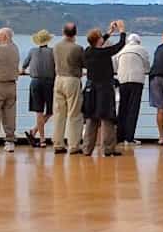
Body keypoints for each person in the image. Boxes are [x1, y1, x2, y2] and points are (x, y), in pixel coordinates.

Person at [81, 21, 127, 157]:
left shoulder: (88, 51)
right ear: (98, 40)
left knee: (91, 118)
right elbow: (119, 46)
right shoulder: (103, 53)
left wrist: (110, 32)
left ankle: (87, 148)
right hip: (105, 88)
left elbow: (99, 43)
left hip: (90, 89)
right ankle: (108, 148)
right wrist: (122, 31)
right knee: (107, 118)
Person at [52, 23, 86, 154]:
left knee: (59, 114)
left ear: (63, 31)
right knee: (74, 113)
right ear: (75, 33)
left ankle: (58, 144)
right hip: (72, 79)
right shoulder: (77, 48)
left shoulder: (56, 47)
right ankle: (73, 145)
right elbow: (85, 63)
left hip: (58, 79)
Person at [115, 32, 151, 147]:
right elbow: (147, 66)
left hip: (122, 80)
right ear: (138, 41)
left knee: (122, 108)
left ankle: (119, 137)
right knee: (133, 109)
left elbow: (115, 65)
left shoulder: (121, 50)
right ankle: (129, 138)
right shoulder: (142, 49)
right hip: (136, 81)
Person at [22, 29, 56, 148]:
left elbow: (24, 66)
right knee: (50, 111)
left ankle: (37, 135)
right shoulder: (53, 52)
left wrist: (23, 71)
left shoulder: (32, 51)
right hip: (50, 83)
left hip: (35, 82)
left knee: (39, 111)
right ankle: (38, 135)